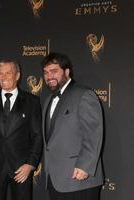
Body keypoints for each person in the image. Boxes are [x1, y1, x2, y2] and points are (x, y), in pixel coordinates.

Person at [0, 59, 42, 200]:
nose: (3, 77)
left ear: (17, 75)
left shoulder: (32, 101)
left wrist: (30, 164)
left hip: (21, 169)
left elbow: (37, 136)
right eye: (0, 73)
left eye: (8, 73)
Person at [41, 52, 104, 200]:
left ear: (67, 72)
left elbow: (94, 134)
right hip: (55, 179)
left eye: (54, 71)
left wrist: (85, 166)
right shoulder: (48, 99)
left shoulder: (84, 95)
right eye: (46, 72)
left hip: (80, 179)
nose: (49, 76)